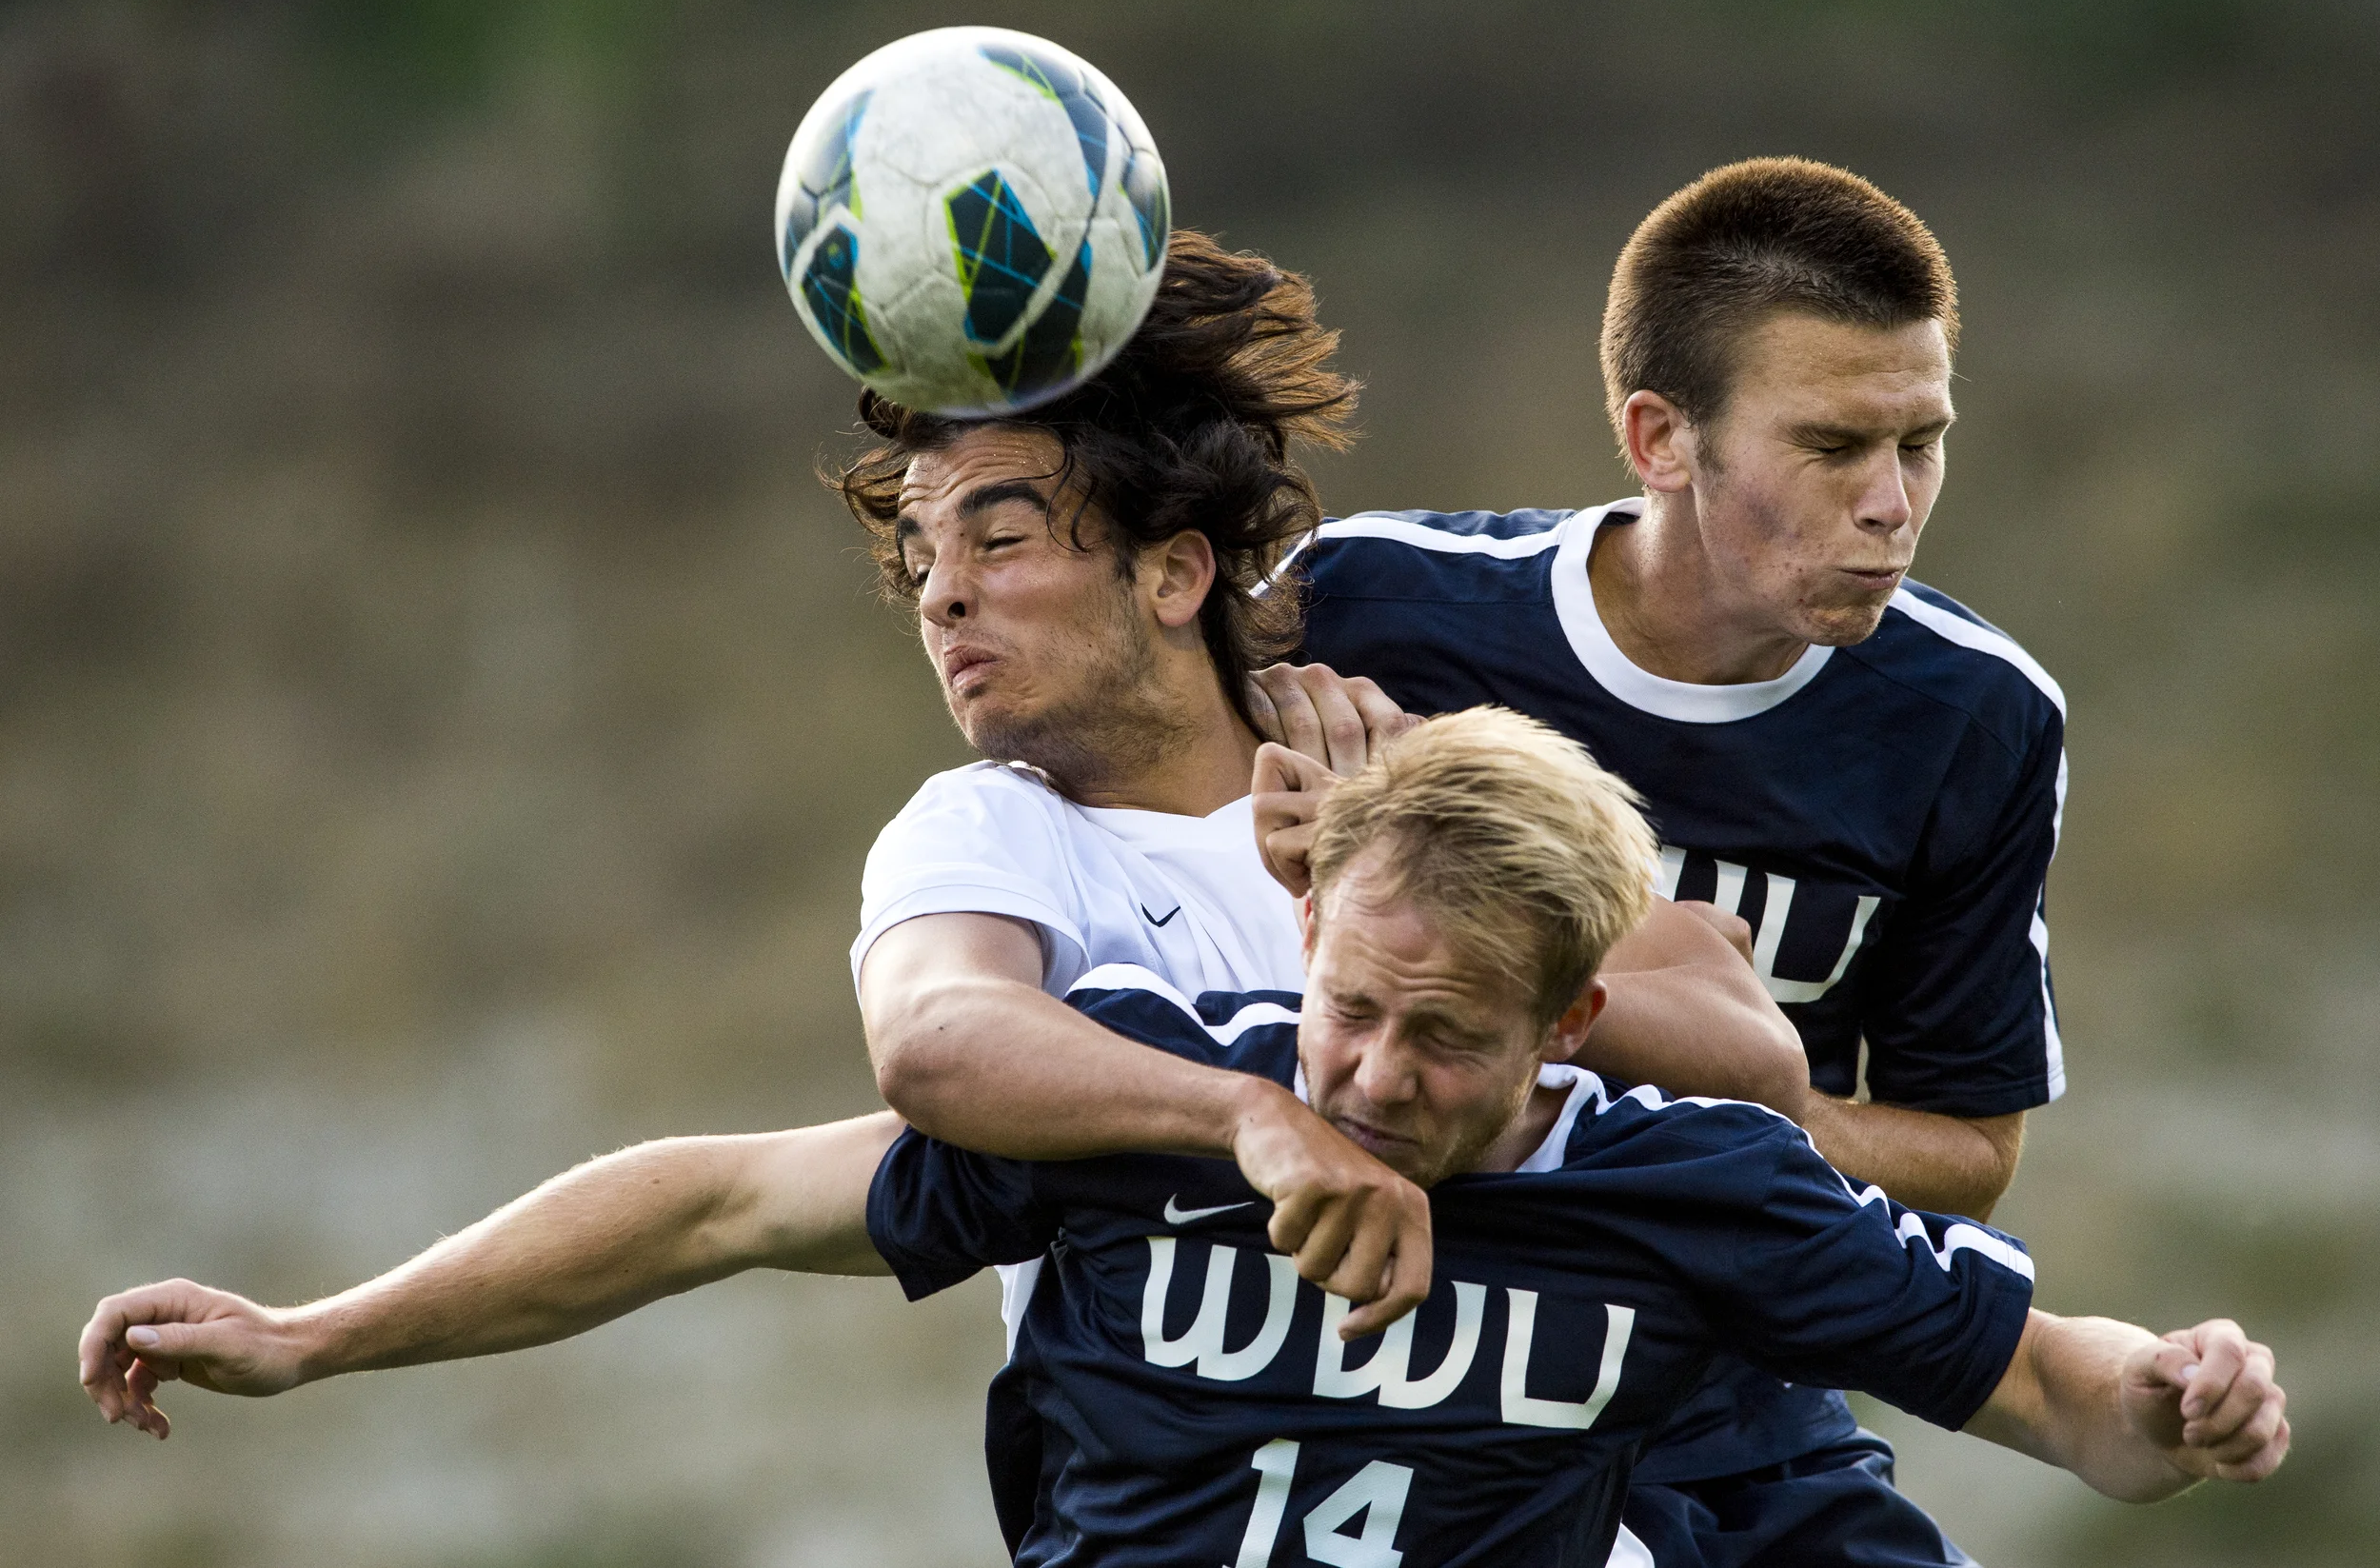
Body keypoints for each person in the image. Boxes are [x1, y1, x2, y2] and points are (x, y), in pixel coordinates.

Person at [80, 710, 2289, 1568]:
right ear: (1299, 922)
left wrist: (2176, 1397)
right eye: (1349, 1005)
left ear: (1571, 1024)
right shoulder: (1141, 1098)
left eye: (1448, 1043)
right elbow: (717, 1204)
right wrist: (311, 1337)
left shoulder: (1680, 1187)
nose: (1376, 1078)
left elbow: (2042, 1394)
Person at [1267, 158, 2069, 1566]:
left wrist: (1714, 1133)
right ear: (1659, 438)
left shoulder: (1977, 718)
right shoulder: (1366, 602)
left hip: (1723, 1379)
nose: (1893, 503)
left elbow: (1969, 1158)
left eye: (1923, 441)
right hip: (1374, 1332)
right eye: (1833, 447)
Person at [837, 228, 1806, 1360]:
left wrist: (1455, 948)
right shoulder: (985, 828)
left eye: (996, 541)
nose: (941, 596)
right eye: (920, 561)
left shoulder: (1398, 781)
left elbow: (1759, 1062)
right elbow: (935, 1039)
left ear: (1174, 573)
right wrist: (1255, 1115)